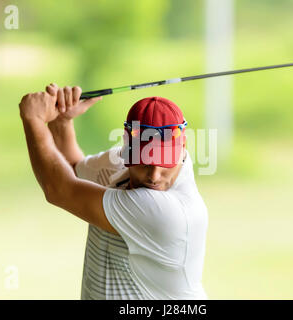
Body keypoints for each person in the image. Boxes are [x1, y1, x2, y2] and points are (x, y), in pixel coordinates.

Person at [19, 83, 208, 299]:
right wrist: (61, 121)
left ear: (182, 149)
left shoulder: (168, 212)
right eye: (144, 162)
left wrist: (34, 119)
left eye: (165, 163)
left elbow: (59, 189)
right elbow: (71, 169)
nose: (154, 176)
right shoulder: (118, 164)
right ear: (126, 149)